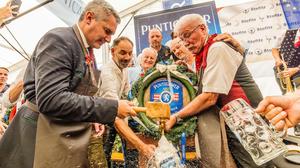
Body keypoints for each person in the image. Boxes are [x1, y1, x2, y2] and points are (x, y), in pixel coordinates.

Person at [0, 1, 135, 168]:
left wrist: (92, 117)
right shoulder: (58, 40)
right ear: (89, 18)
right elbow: (51, 99)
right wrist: (111, 107)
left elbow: (78, 94)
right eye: (107, 31)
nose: (108, 39)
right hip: (38, 136)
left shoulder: (86, 50)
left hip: (61, 135)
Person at [165, 14, 270, 168]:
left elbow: (209, 97)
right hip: (236, 122)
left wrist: (176, 116)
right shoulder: (204, 53)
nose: (185, 43)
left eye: (187, 35)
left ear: (202, 28)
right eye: (181, 39)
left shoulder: (217, 48)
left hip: (249, 122)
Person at [99, 37, 155, 167]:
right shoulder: (108, 73)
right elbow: (114, 112)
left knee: (124, 154)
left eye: (130, 53)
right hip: (102, 122)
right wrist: (143, 147)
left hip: (114, 118)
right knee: (104, 156)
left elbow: (126, 97)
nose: (127, 57)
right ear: (112, 52)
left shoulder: (123, 68)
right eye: (123, 53)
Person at [272, 28, 300, 94]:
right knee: (286, 95)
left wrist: (297, 69)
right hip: (283, 70)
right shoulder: (285, 32)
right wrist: (278, 60)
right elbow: (274, 49)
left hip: (298, 71)